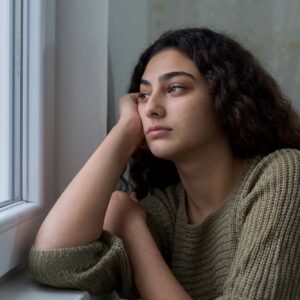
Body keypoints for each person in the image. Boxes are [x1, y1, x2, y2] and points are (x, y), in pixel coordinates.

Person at [29, 27, 300, 299]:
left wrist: (133, 231)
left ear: (226, 98)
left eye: (175, 88)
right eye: (144, 95)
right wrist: (124, 132)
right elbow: (54, 262)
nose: (151, 108)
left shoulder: (283, 174)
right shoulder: (167, 210)